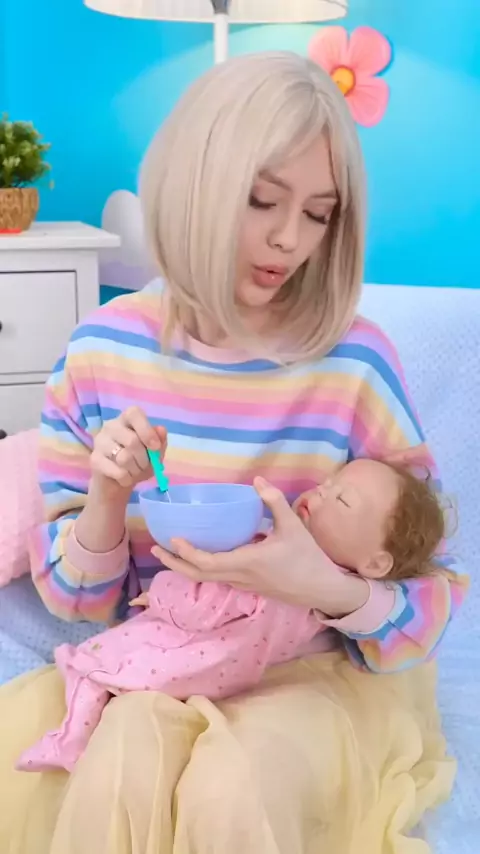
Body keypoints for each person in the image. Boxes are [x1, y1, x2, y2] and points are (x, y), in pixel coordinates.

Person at [0, 52, 467, 854]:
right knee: (115, 777)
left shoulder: (355, 364)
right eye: (261, 200)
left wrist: (317, 584)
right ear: (195, 185)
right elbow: (82, 605)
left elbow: (423, 606)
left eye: (319, 213)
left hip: (311, 677)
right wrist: (107, 500)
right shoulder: (102, 351)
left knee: (230, 795)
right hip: (158, 660)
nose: (290, 238)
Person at [17, 457, 449, 775]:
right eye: (328, 482)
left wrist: (163, 592)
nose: (320, 491)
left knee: (99, 665)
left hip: (197, 658)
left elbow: (208, 607)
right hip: (227, 669)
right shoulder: (319, 598)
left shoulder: (290, 574)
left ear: (375, 564)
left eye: (342, 499)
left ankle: (71, 739)